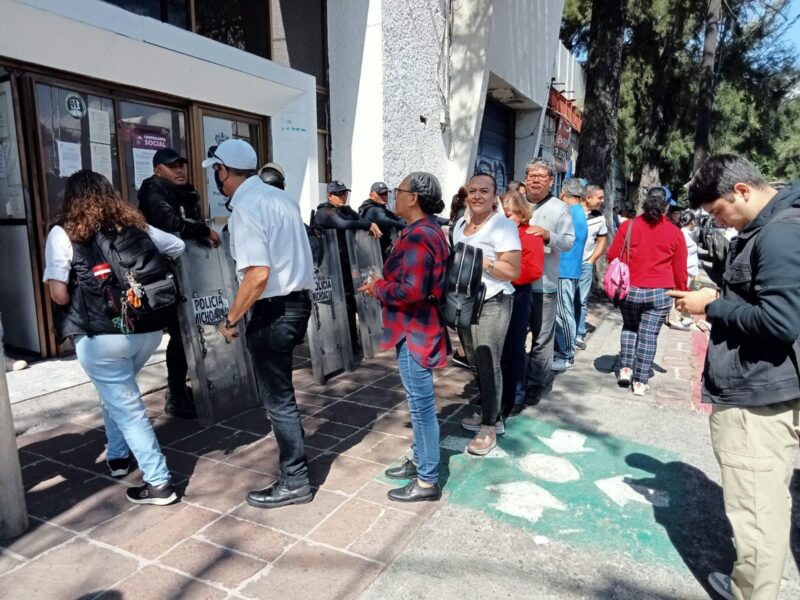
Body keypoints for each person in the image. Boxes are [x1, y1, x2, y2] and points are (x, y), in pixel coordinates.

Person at [668, 156, 800, 600]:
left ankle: (752, 593)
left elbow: (781, 320)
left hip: (758, 394)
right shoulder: (777, 224)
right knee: (766, 503)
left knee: (757, 509)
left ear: (742, 190)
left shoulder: (780, 232)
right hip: (769, 385)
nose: (717, 221)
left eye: (718, 211)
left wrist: (713, 306)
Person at [44, 170, 183, 506]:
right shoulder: (135, 226)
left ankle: (159, 482)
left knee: (128, 406)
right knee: (117, 394)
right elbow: (177, 246)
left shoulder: (62, 234)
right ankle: (118, 458)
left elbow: (59, 296)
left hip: (101, 336)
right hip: (147, 330)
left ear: (71, 198)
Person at [204, 139, 315, 509]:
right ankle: (295, 465)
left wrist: (230, 318)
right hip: (298, 304)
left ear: (223, 171)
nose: (216, 179)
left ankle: (295, 479)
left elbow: (257, 275)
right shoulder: (282, 199)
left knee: (278, 400)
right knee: (283, 393)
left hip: (274, 311)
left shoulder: (247, 208)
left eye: (216, 172)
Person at [359, 172, 449, 502]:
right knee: (418, 403)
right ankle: (420, 461)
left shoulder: (419, 236)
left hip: (415, 330)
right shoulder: (425, 231)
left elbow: (413, 290)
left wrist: (379, 287)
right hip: (416, 326)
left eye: (399, 191)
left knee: (421, 406)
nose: (395, 196)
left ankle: (427, 480)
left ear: (414, 198)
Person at [138, 147, 219, 419]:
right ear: (157, 169)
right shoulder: (154, 189)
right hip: (166, 274)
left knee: (189, 334)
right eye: (172, 166)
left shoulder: (185, 191)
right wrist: (203, 230)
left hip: (188, 269)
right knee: (180, 335)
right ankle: (175, 393)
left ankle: (183, 388)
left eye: (182, 165)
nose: (180, 170)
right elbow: (170, 222)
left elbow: (187, 223)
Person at [454, 173, 521, 455]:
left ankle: (490, 426)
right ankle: (487, 412)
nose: (478, 196)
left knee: (488, 360)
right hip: (464, 302)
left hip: (494, 301)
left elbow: (513, 271)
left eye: (484, 191)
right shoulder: (460, 224)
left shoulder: (503, 226)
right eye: (473, 191)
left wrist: (480, 261)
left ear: (495, 196)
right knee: (473, 361)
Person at [607, 187, 688, 396]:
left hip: (630, 290)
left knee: (629, 327)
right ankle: (641, 382)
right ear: (667, 207)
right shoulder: (675, 233)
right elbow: (680, 270)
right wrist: (682, 293)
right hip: (659, 293)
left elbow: (613, 254)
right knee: (648, 336)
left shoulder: (629, 227)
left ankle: (625, 369)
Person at [523, 159, 575, 405]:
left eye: (541, 176)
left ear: (551, 181)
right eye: (531, 175)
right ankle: (516, 377)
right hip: (515, 284)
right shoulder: (514, 203)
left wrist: (548, 235)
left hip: (545, 284)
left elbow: (568, 242)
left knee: (542, 339)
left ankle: (536, 383)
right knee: (513, 335)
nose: (535, 179)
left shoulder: (559, 208)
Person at [313, 180, 382, 355]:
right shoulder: (324, 212)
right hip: (327, 268)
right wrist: (368, 225)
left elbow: (360, 220)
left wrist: (367, 224)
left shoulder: (346, 210)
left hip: (345, 265)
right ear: (330, 195)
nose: (343, 196)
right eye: (339, 194)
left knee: (350, 303)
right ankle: (334, 346)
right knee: (331, 307)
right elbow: (343, 225)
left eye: (345, 193)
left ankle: (352, 343)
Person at [500, 190, 544, 417]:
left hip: (517, 293)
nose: (506, 218)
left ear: (521, 213)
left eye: (510, 214)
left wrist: (503, 273)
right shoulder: (497, 232)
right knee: (496, 348)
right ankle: (498, 393)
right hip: (498, 292)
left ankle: (516, 395)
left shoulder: (530, 235)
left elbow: (534, 270)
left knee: (515, 346)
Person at [553, 179, 588, 371]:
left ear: (564, 193)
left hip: (564, 269)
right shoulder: (579, 212)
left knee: (563, 313)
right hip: (570, 269)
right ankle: (565, 350)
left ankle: (566, 354)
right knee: (565, 311)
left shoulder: (570, 212)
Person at [575, 184, 608, 350]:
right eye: (599, 198)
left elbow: (602, 240)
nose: (602, 201)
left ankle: (578, 333)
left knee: (581, 299)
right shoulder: (571, 213)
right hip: (566, 264)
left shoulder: (599, 218)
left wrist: (592, 260)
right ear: (588, 198)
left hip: (584, 264)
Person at [358, 181, 406, 258]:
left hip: (381, 253)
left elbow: (397, 219)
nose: (384, 196)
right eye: (380, 194)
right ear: (371, 195)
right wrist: (406, 227)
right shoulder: (371, 209)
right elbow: (386, 220)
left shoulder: (382, 209)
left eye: (385, 194)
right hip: (372, 256)